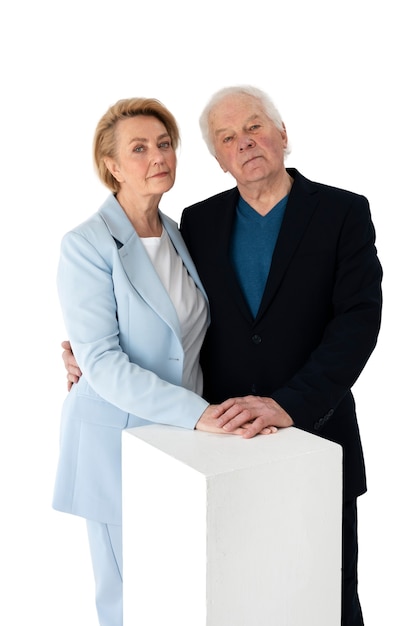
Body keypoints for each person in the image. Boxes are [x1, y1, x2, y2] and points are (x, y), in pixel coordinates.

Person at [62, 85, 383, 625]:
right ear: (217, 158)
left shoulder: (342, 213)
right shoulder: (202, 222)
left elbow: (357, 325)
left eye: (255, 127)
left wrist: (291, 404)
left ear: (283, 134)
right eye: (228, 137)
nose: (245, 143)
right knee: (231, 596)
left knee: (327, 593)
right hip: (216, 445)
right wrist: (87, 356)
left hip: (315, 433)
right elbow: (143, 315)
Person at [52, 96, 276, 626]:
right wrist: (196, 412)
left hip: (180, 445)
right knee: (128, 602)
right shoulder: (85, 244)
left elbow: (182, 335)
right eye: (138, 148)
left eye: (164, 143)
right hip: (116, 445)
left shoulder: (179, 232)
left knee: (178, 593)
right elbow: (104, 361)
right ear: (110, 165)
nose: (158, 156)